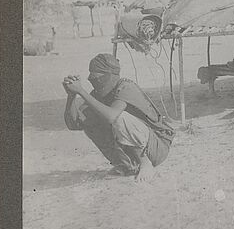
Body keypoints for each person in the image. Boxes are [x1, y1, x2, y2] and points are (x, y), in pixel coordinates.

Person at [62, 53, 174, 182]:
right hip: (135, 151)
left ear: (110, 76)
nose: (93, 81)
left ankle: (145, 163)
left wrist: (82, 91)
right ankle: (127, 165)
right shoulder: (98, 94)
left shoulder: (126, 87)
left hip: (156, 148)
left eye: (97, 78)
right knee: (89, 122)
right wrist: (71, 96)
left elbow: (112, 116)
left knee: (119, 118)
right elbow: (74, 124)